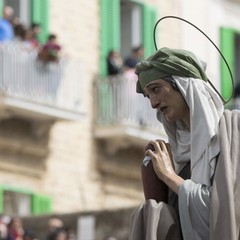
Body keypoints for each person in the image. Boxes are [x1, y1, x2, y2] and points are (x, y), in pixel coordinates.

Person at [129, 47, 240, 240]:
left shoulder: (233, 132)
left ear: (183, 86)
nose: (153, 103)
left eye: (156, 89)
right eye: (148, 96)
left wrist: (170, 177)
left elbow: (224, 212)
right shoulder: (173, 155)